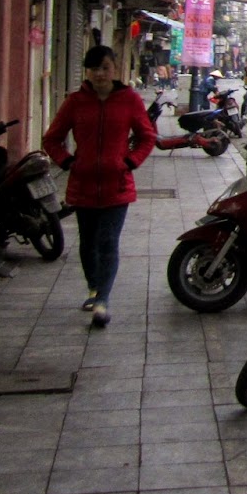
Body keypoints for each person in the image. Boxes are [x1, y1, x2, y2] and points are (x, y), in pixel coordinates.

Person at [42, 45, 157, 328]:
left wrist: (129, 162)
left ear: (114, 69)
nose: (100, 74)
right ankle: (93, 288)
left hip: (117, 184)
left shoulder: (129, 100)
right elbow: (51, 139)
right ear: (88, 72)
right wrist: (68, 162)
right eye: (94, 69)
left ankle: (103, 300)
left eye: (105, 67)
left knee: (108, 241)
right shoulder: (75, 101)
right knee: (88, 243)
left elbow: (147, 136)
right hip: (83, 184)